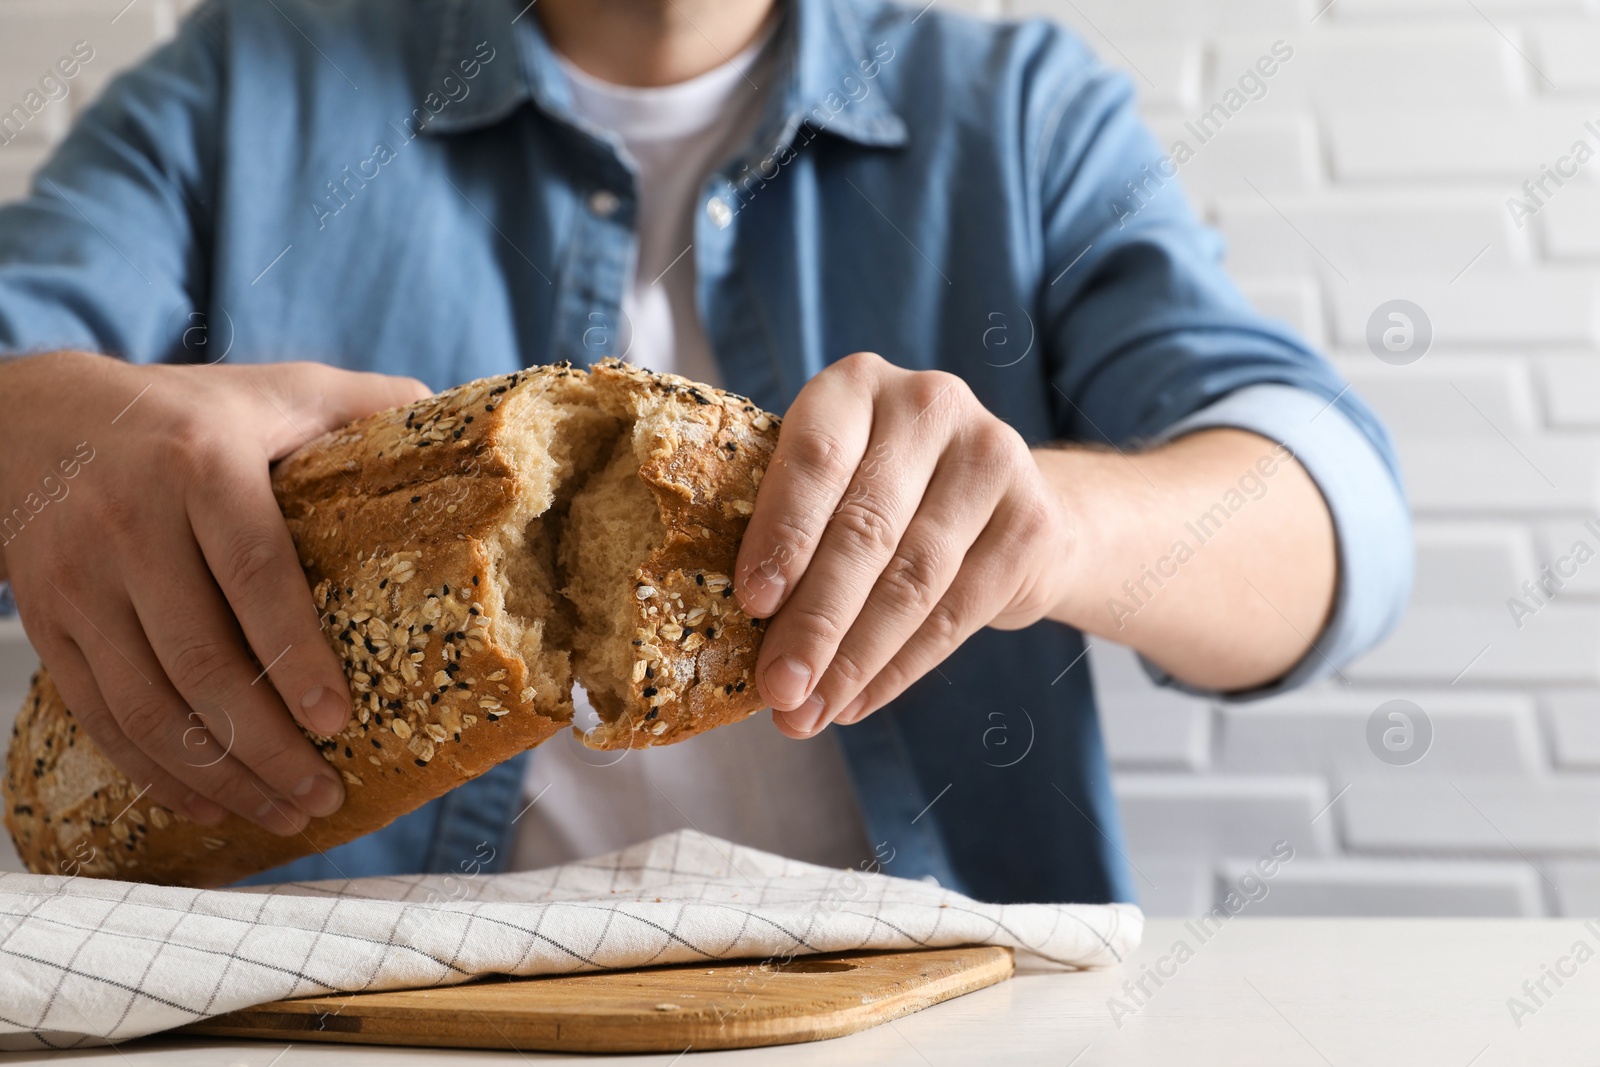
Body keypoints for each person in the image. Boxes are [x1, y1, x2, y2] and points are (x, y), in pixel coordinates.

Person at [0, 0, 1409, 904]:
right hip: (350, 1032)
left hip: (911, 1024)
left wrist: (1042, 527)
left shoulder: (1017, 110)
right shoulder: (246, 85)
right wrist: (27, 427)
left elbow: (1334, 528)